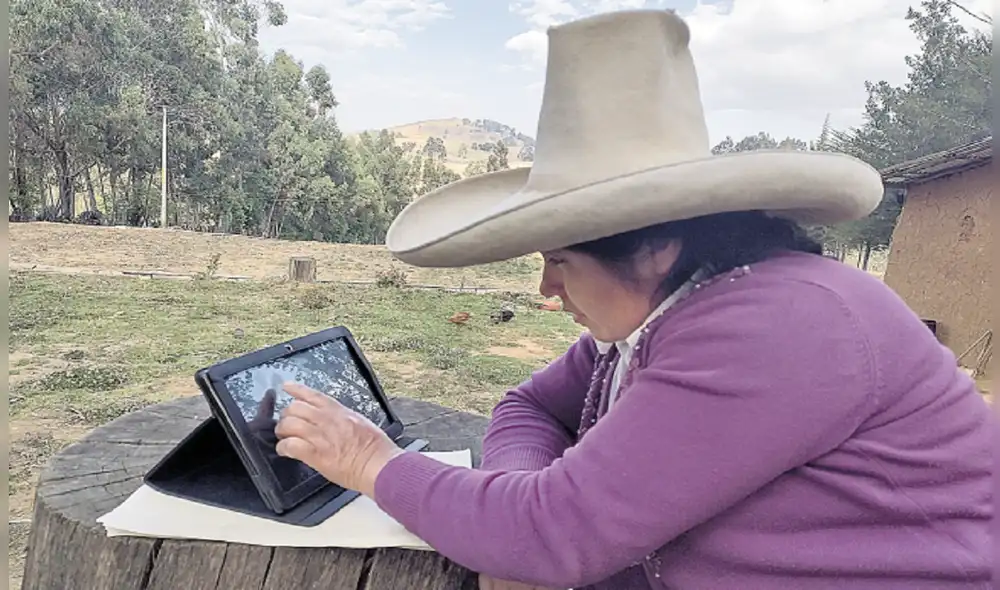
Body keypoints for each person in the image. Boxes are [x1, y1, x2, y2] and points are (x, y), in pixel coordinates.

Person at [271, 9, 993, 590]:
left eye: (559, 261)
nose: (547, 289)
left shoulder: (776, 326)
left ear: (654, 247)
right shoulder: (673, 315)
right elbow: (530, 410)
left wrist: (369, 460)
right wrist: (522, 492)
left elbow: (552, 539)